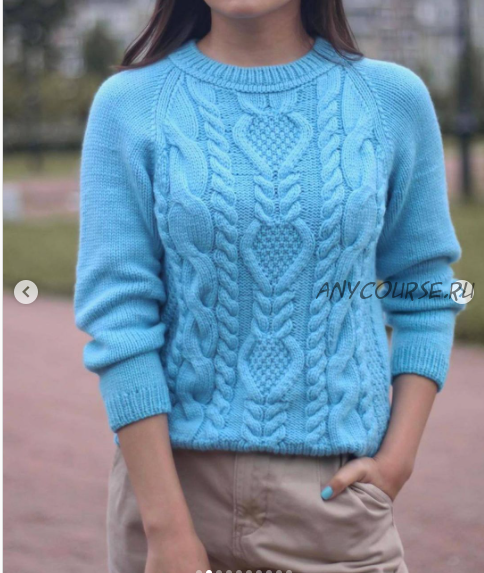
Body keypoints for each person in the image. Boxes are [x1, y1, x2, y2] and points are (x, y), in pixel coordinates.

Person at [75, 1, 462, 571]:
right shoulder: (131, 104)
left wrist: (397, 461)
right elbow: (118, 315)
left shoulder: (390, 99)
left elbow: (425, 284)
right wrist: (166, 527)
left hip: (335, 501)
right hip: (171, 496)